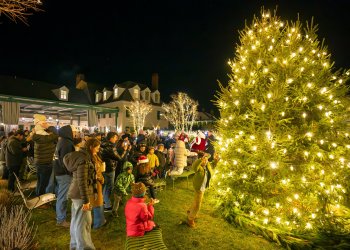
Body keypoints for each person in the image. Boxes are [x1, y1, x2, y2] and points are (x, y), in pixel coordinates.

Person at [64, 138, 100, 250]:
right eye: (97, 148)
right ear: (91, 147)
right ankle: (84, 247)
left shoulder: (82, 156)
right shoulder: (84, 159)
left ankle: (75, 245)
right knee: (83, 223)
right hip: (80, 195)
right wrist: (86, 200)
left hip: (77, 194)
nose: (98, 151)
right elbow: (82, 181)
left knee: (76, 221)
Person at [53, 125, 80, 228]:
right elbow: (66, 160)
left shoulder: (61, 141)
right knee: (63, 196)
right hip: (64, 173)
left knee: (61, 194)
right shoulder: (66, 143)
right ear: (68, 132)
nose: (74, 133)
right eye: (73, 131)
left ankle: (61, 216)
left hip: (59, 172)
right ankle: (61, 220)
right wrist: (70, 171)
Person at [31, 114, 58, 196]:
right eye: (45, 122)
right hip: (45, 163)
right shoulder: (43, 136)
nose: (46, 123)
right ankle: (40, 199)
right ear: (41, 124)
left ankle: (37, 195)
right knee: (43, 183)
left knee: (40, 181)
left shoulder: (37, 135)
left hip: (40, 162)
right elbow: (56, 135)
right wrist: (49, 127)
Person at [100, 132, 127, 212]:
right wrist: (125, 151)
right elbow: (119, 158)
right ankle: (107, 205)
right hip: (109, 168)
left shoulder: (102, 144)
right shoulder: (110, 147)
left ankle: (104, 201)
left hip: (104, 168)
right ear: (111, 138)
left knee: (104, 186)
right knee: (109, 186)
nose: (116, 139)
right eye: (115, 137)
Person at [186, 152, 213, 228]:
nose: (205, 161)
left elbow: (212, 166)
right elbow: (194, 167)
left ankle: (190, 211)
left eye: (206, 160)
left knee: (196, 200)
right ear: (201, 160)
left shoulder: (207, 167)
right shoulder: (199, 168)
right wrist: (200, 160)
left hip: (203, 187)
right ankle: (190, 219)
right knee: (198, 205)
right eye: (204, 160)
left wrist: (216, 161)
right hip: (199, 188)